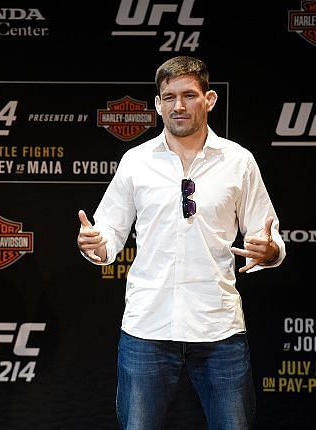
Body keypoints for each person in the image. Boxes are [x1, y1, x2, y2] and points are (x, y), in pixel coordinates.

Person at [77, 56, 285, 430]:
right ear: (157, 104)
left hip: (218, 328)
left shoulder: (239, 161)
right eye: (169, 97)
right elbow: (107, 232)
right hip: (147, 328)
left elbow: (267, 236)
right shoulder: (135, 161)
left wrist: (269, 252)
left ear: (209, 100)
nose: (178, 106)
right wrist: (93, 243)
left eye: (189, 95)